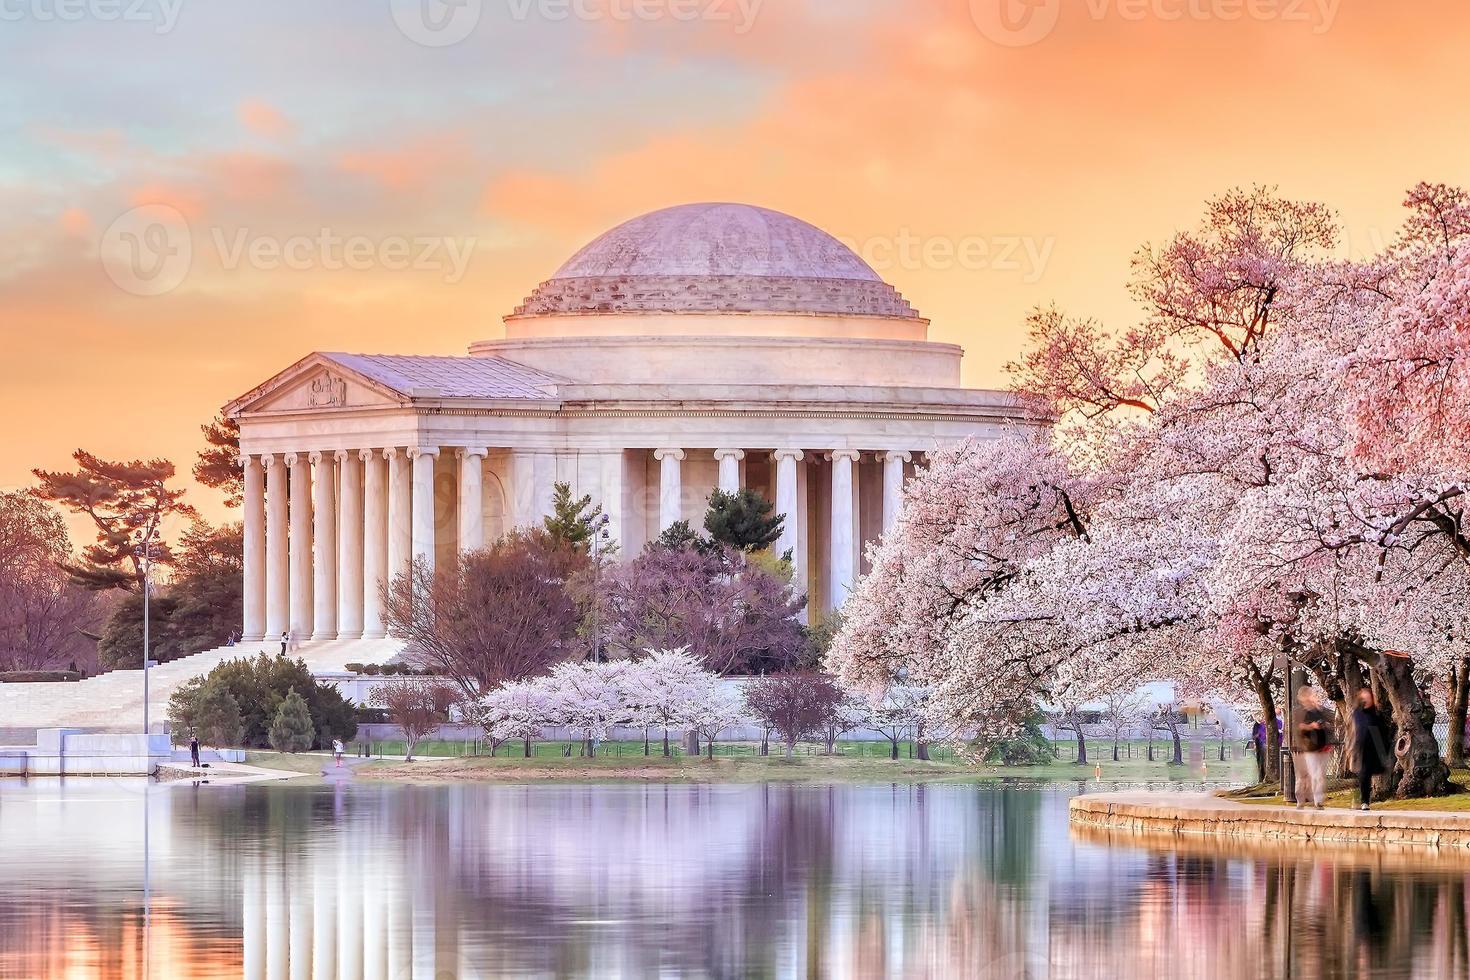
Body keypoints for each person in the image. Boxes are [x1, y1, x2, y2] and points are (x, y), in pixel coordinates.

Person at [1292, 686, 1334, 808]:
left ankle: (1318, 799)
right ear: (1302, 697)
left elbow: (1331, 719)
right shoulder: (1299, 712)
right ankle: (1302, 799)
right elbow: (1299, 728)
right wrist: (1311, 726)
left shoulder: (1319, 710)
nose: (1312, 696)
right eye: (1309, 694)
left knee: (1320, 774)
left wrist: (1321, 713)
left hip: (1322, 745)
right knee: (1310, 775)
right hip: (1308, 747)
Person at [1350, 687, 1390, 811]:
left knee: (1367, 773)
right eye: (1364, 697)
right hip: (1362, 746)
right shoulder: (1357, 713)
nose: (1366, 700)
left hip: (1374, 746)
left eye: (1368, 697)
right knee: (1364, 773)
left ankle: (1362, 799)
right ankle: (1364, 801)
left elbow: (1382, 730)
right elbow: (1352, 730)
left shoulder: (1376, 713)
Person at [1250, 716, 1268, 784]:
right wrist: (1259, 734)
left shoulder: (1268, 724)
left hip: (1267, 746)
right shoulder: (1257, 725)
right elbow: (1254, 736)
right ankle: (1261, 778)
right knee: (1261, 762)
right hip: (1260, 747)